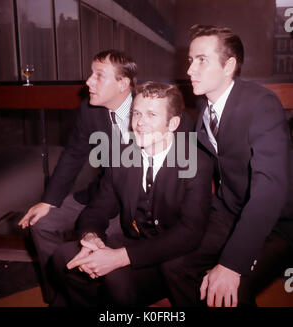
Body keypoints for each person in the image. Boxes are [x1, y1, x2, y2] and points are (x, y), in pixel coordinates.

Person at [50, 81, 213, 307]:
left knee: (117, 278)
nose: (139, 123)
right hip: (133, 243)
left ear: (173, 123)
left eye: (151, 115)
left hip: (172, 258)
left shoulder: (196, 162)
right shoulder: (122, 157)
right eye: (136, 113)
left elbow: (189, 233)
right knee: (64, 256)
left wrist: (119, 257)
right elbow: (97, 210)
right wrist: (92, 239)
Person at [18, 49, 137, 304]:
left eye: (98, 75)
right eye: (91, 74)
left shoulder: (150, 108)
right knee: (41, 223)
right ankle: (60, 297)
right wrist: (49, 201)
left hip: (133, 207)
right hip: (98, 196)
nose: (88, 82)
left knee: (99, 244)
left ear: (123, 83)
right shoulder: (90, 110)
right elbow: (73, 155)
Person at [186, 24, 291, 307]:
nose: (189, 70)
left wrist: (233, 263)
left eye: (201, 60)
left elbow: (270, 189)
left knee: (231, 286)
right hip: (229, 212)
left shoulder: (261, 104)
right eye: (190, 60)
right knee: (175, 260)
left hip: (278, 223)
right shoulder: (204, 109)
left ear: (228, 65)